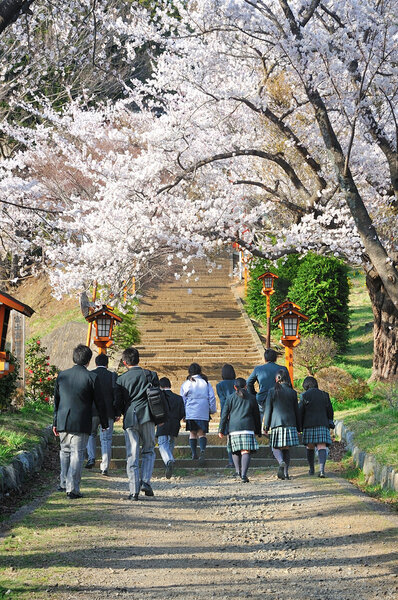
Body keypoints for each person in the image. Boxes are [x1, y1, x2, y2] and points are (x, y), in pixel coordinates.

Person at [53, 344, 108, 499]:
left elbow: (56, 402)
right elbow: (100, 402)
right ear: (89, 360)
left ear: (74, 357)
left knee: (64, 452)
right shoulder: (92, 377)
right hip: (81, 421)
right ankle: (73, 488)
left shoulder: (62, 375)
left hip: (63, 420)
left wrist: (55, 422)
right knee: (77, 454)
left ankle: (63, 483)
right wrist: (104, 423)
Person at [114, 347, 160, 501]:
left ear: (125, 362)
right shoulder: (151, 375)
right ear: (138, 359)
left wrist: (118, 413)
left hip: (130, 417)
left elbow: (118, 402)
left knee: (132, 454)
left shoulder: (121, 379)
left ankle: (133, 491)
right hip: (148, 416)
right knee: (148, 450)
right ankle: (145, 481)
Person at [218, 377, 261, 483]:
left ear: (234, 387)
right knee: (245, 451)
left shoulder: (230, 398)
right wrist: (258, 431)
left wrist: (221, 429)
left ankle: (238, 471)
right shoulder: (252, 398)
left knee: (235, 450)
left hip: (234, 428)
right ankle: (244, 475)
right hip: (248, 427)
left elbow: (224, 415)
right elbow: (256, 416)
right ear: (246, 386)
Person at [263, 369, 300, 480]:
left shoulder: (272, 391)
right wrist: (299, 427)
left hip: (276, 424)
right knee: (286, 449)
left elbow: (268, 410)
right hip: (290, 424)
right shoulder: (292, 392)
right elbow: (296, 411)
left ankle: (280, 461)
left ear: (276, 379)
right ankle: (286, 473)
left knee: (275, 447)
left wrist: (266, 426)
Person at [85, 354, 118, 475]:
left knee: (91, 434)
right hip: (108, 412)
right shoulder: (112, 376)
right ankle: (104, 467)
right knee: (106, 439)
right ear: (107, 364)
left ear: (96, 363)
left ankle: (91, 457)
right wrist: (117, 412)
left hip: (92, 411)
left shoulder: (91, 375)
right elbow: (116, 394)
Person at [180, 363, 217, 465]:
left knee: (192, 433)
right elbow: (212, 398)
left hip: (190, 411)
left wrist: (183, 413)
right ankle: (202, 451)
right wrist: (212, 410)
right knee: (202, 433)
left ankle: (193, 453)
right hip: (203, 410)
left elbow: (182, 399)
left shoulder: (186, 383)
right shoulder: (206, 383)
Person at [299, 376, 334, 478]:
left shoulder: (304, 396)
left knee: (309, 446)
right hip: (322, 424)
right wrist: (329, 421)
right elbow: (330, 411)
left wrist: (299, 426)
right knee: (321, 446)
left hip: (308, 425)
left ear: (306, 385)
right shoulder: (325, 395)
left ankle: (311, 469)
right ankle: (322, 470)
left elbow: (300, 411)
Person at [247, 348, 291, 420]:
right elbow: (288, 385)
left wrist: (254, 394)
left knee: (258, 420)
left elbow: (248, 382)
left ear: (265, 359)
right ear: (276, 359)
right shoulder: (283, 369)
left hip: (262, 398)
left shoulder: (258, 369)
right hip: (279, 399)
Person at [156, 377, 185, 479]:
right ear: (170, 385)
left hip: (162, 423)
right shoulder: (179, 398)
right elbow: (182, 412)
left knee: (162, 443)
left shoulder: (159, 396)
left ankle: (169, 461)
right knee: (170, 443)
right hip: (175, 423)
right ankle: (169, 461)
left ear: (160, 386)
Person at [216, 364, 236, 467]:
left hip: (227, 412)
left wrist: (225, 413)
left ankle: (231, 461)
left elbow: (223, 401)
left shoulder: (220, 385)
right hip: (238, 412)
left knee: (229, 438)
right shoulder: (236, 383)